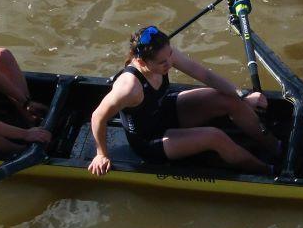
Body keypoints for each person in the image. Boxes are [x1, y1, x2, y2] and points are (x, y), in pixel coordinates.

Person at [87, 25, 278, 176]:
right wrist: (102, 154)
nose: (170, 63)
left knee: (229, 99)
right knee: (215, 136)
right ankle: (269, 171)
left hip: (164, 110)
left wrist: (243, 96)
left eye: (170, 55)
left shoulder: (164, 54)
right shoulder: (129, 88)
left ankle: (276, 147)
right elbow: (97, 117)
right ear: (142, 62)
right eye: (163, 62)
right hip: (150, 140)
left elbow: (206, 75)